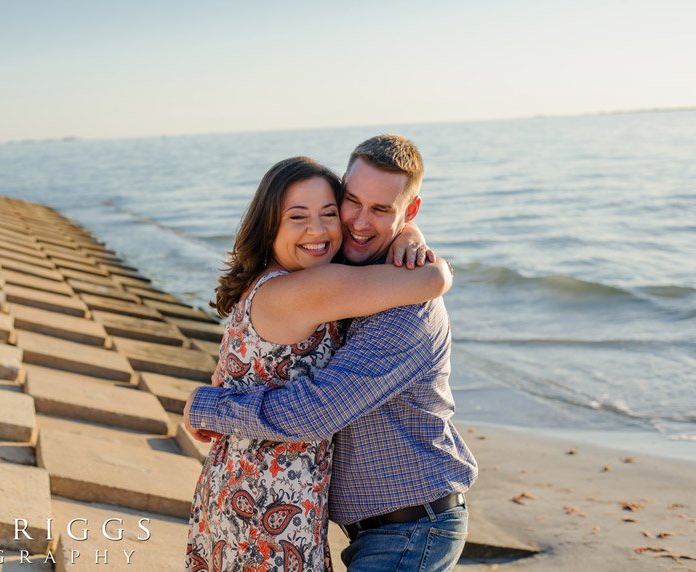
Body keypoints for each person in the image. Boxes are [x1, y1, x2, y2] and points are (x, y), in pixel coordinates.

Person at [185, 134, 478, 571]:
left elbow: (316, 412)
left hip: (411, 527)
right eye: (352, 202)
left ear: (409, 211)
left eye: (381, 210)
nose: (358, 222)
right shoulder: (335, 268)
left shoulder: (405, 309)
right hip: (345, 521)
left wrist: (206, 407)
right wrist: (418, 248)